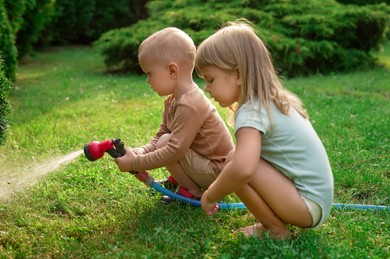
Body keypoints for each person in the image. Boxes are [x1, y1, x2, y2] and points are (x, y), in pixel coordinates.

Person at [195, 20, 334, 239]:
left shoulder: (251, 111)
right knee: (235, 158)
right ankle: (273, 224)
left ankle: (277, 230)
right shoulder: (268, 102)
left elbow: (243, 169)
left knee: (235, 163)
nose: (207, 87)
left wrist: (211, 195)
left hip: (306, 206)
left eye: (210, 79)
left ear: (238, 74)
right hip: (316, 202)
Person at [115, 27, 234, 201]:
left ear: (172, 71)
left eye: (149, 74)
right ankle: (182, 181)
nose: (148, 81)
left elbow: (174, 150)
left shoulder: (189, 103)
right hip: (205, 165)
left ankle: (193, 192)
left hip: (218, 173)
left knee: (168, 143)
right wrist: (140, 152)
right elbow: (161, 135)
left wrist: (134, 163)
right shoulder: (173, 100)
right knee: (165, 139)